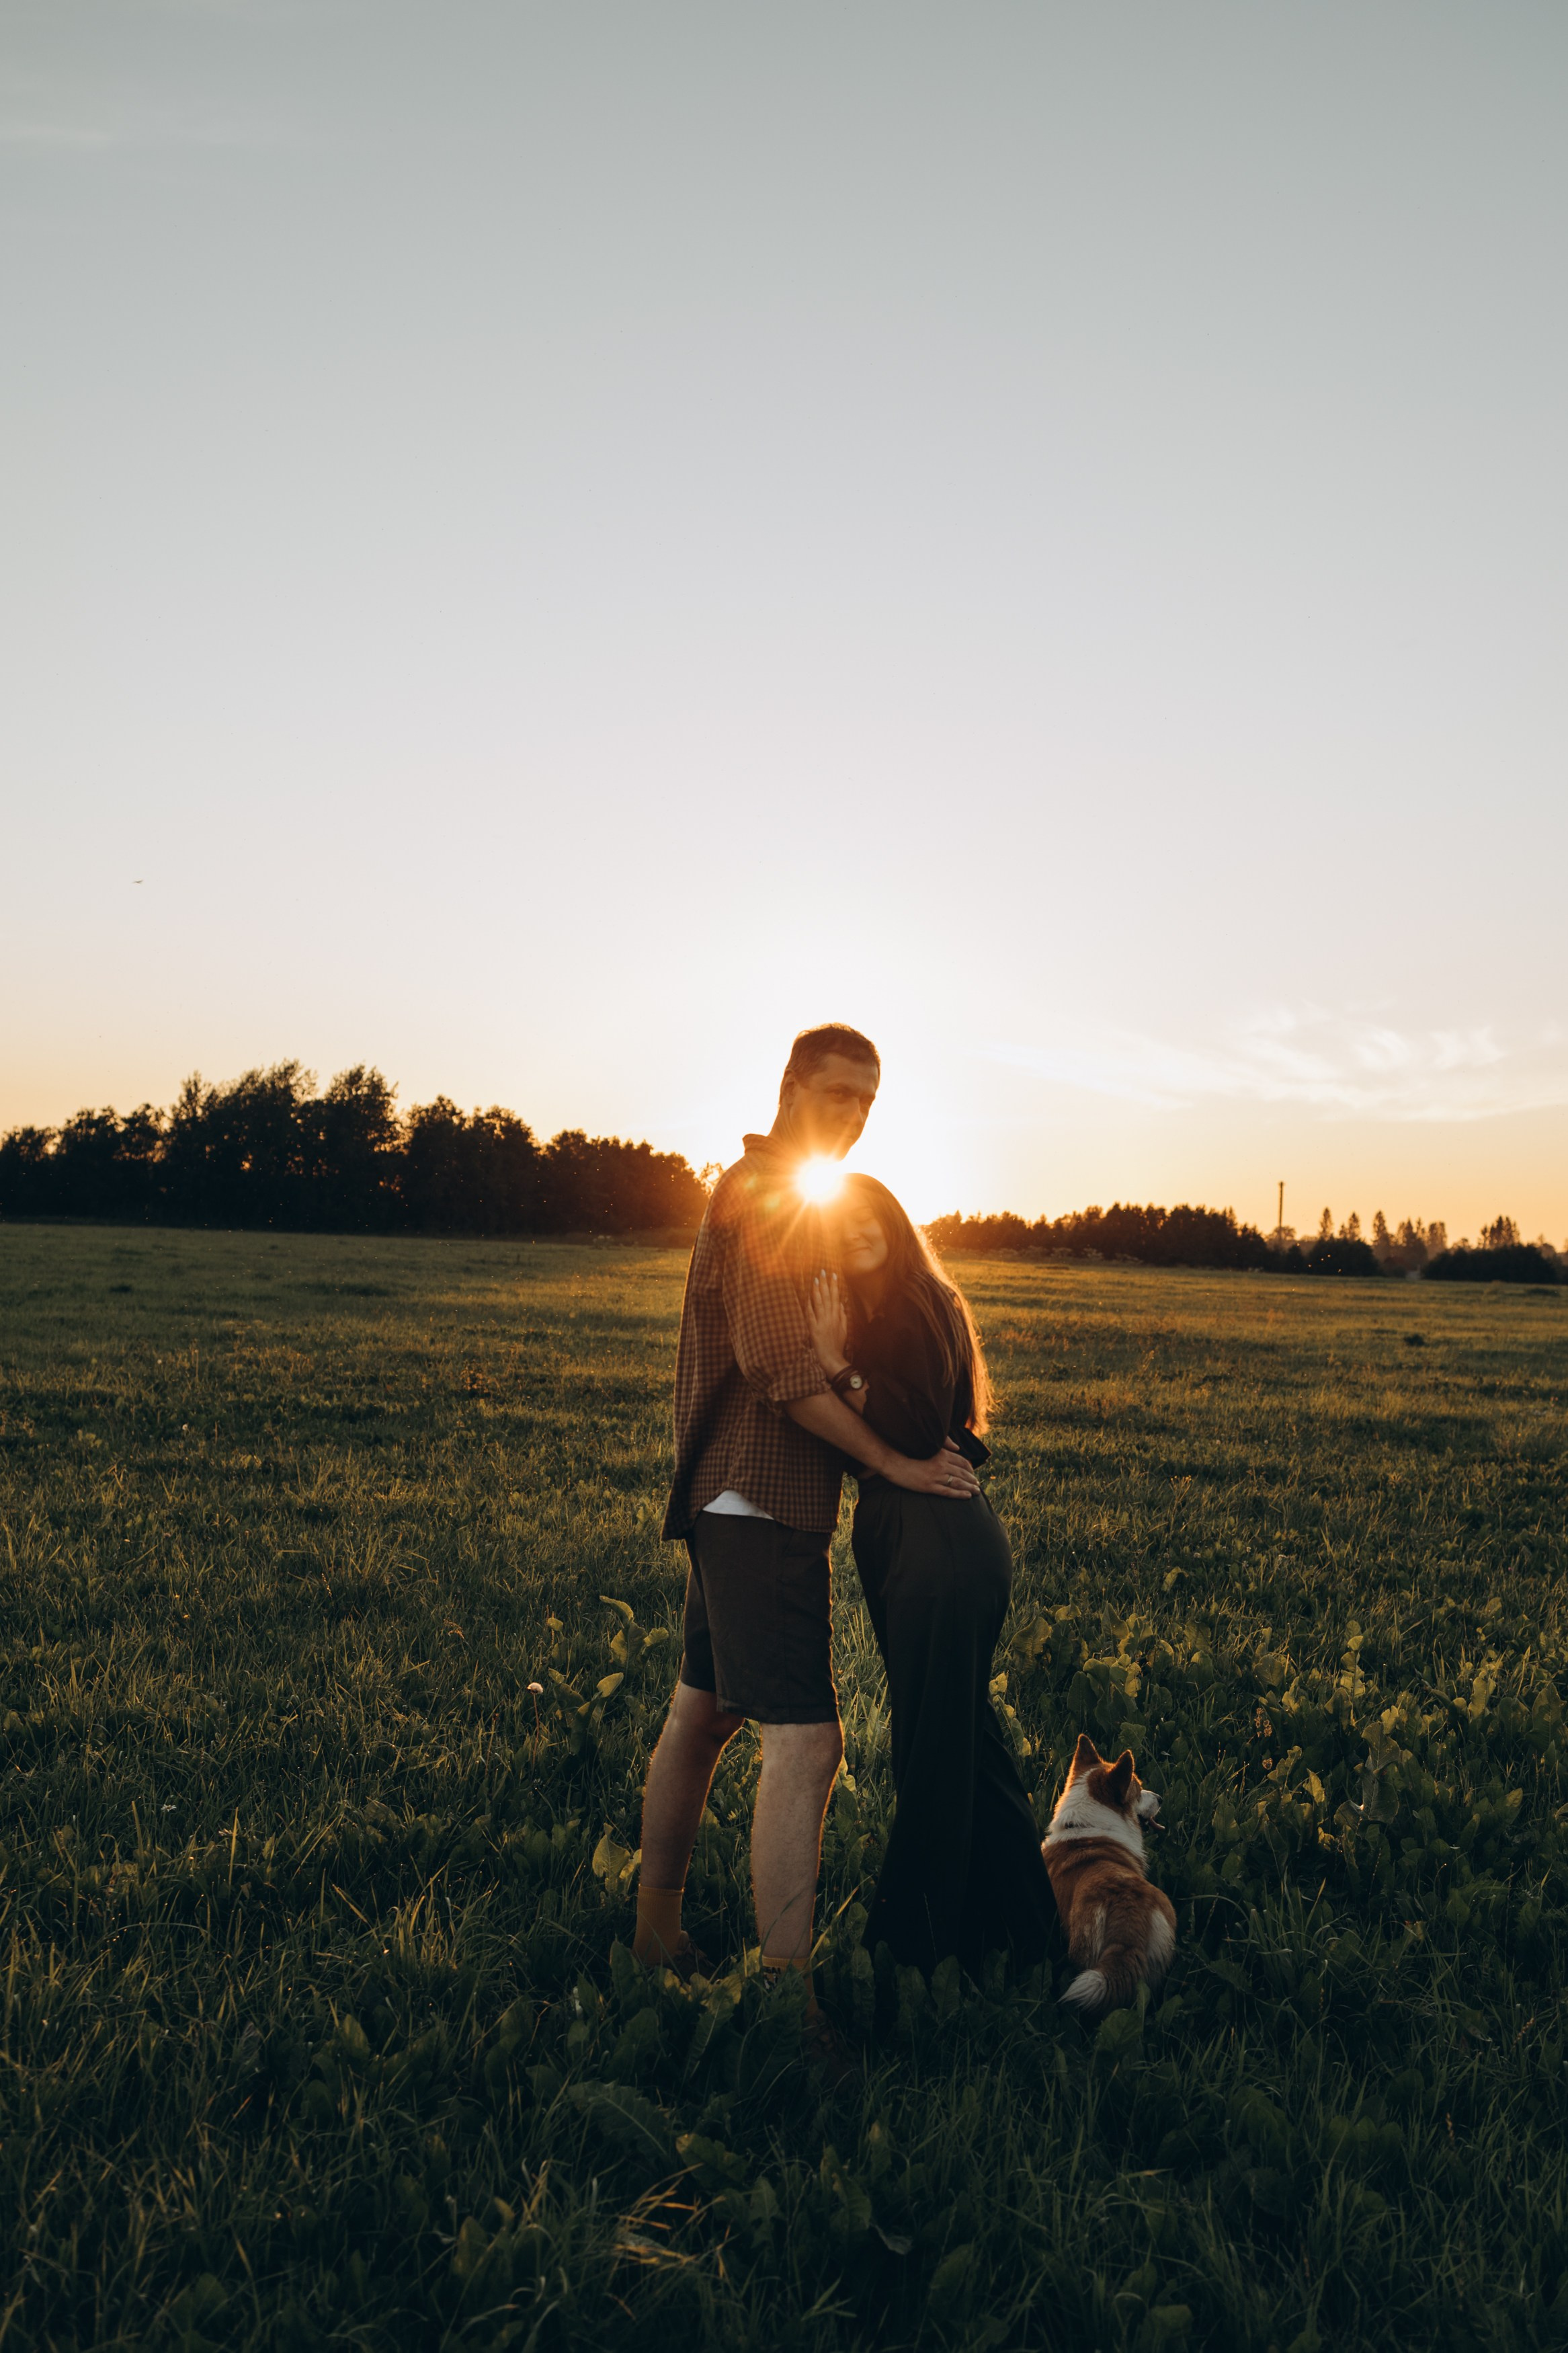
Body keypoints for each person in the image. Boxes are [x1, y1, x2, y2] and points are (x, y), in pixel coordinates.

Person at [636, 1027, 983, 2037]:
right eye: (836, 1095)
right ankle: (787, 2005)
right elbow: (781, 1371)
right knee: (810, 1742)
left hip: (727, 1502)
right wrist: (897, 1464)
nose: (853, 1116)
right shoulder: (762, 1193)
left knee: (702, 1716)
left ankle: (656, 1933)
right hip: (761, 1504)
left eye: (867, 1103)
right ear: (791, 1087)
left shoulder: (787, 1196)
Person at [804, 1173, 1055, 1981]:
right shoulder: (896, 1306)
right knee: (965, 1743)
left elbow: (913, 1427)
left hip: (937, 1547)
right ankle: (1027, 1937)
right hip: (929, 1542)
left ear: (892, 1220)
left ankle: (911, 1954)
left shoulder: (912, 1300)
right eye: (836, 1225)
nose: (855, 1232)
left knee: (932, 1753)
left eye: (866, 1216)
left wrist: (836, 1363)